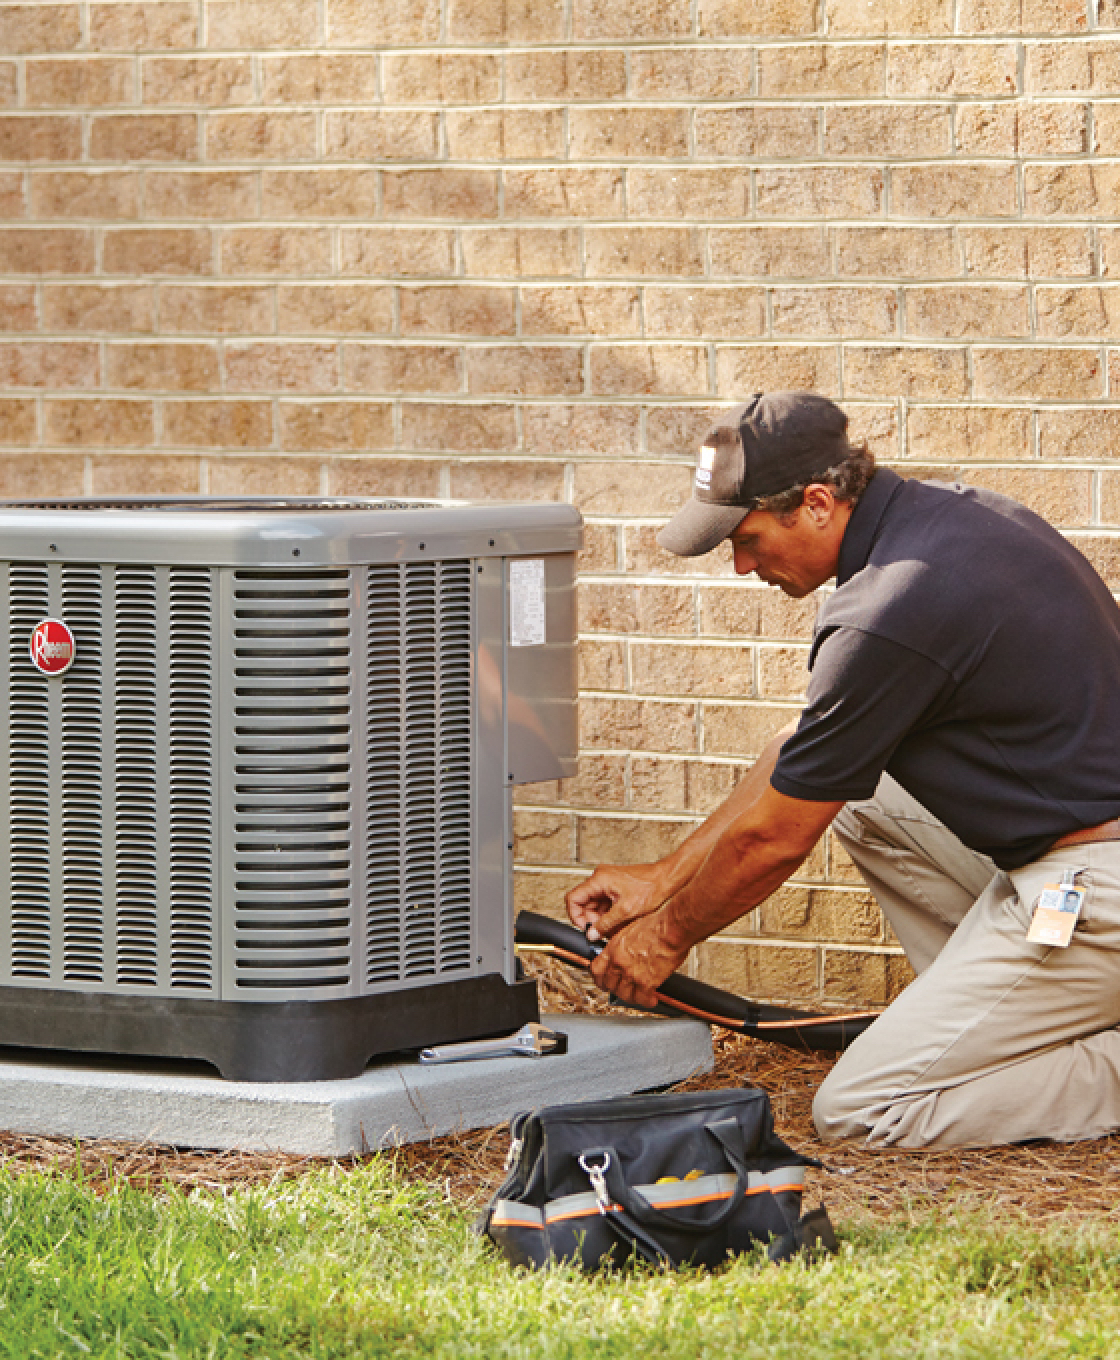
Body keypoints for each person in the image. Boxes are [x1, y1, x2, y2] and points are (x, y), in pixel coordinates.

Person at [566, 390, 1120, 1149]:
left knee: (862, 1109)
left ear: (818, 503)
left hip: (1093, 889)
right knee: (861, 796)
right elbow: (800, 754)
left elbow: (774, 841)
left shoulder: (888, 610)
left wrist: (665, 936)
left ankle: (1068, 1048)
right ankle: (1004, 1019)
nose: (740, 565)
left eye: (749, 538)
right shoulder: (953, 522)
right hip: (1077, 854)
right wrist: (661, 878)